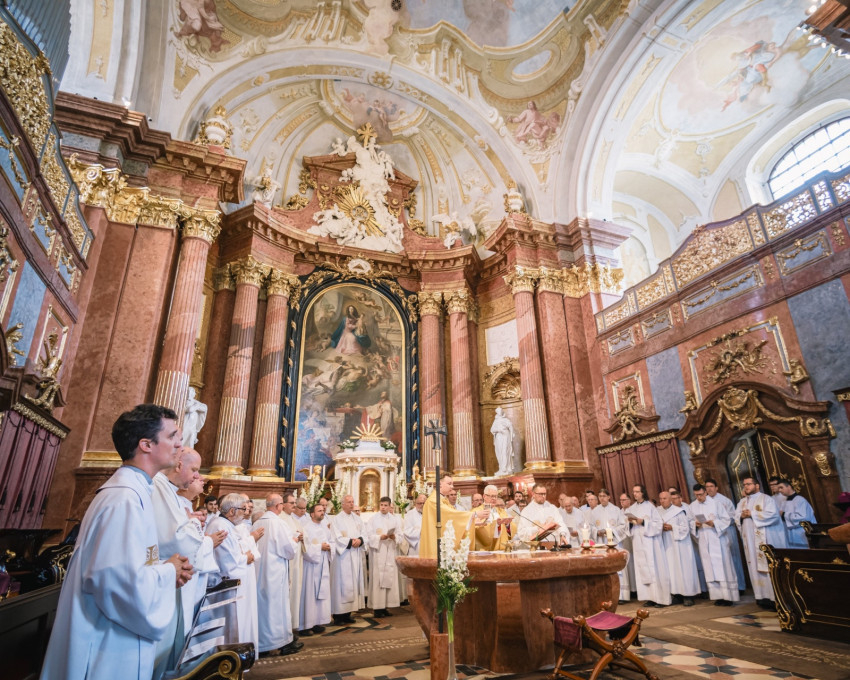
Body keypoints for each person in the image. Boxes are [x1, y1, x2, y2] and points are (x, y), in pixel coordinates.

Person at [40, 404, 193, 680]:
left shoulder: (135, 491)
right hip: (105, 645)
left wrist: (165, 566)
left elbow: (125, 564)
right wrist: (169, 571)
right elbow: (116, 582)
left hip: (114, 636)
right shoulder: (124, 499)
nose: (179, 445)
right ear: (146, 445)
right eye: (172, 436)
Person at [151, 447, 206, 677]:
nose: (197, 476)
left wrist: (190, 521)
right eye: (194, 470)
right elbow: (178, 540)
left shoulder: (168, 489)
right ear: (179, 464)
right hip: (160, 579)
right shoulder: (158, 486)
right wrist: (192, 523)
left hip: (167, 577)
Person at [206, 493, 259, 649]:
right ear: (232, 511)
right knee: (230, 628)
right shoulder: (220, 526)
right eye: (242, 509)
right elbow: (227, 563)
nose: (245, 513)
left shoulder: (227, 525)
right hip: (225, 587)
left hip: (232, 586)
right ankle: (229, 658)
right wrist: (246, 558)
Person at [254, 494, 303, 657]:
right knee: (277, 608)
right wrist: (294, 540)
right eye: (281, 504)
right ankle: (281, 643)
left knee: (262, 608)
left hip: (258, 573)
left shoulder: (257, 522)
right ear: (277, 506)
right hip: (274, 574)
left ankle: (262, 643)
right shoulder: (278, 523)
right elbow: (288, 550)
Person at [735, 477, 786, 610]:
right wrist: (741, 516)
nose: (746, 486)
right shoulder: (742, 502)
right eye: (744, 484)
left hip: (763, 540)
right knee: (754, 567)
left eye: (749, 484)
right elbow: (736, 517)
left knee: (766, 567)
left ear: (757, 485)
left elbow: (773, 515)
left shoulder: (766, 499)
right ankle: (761, 597)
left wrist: (752, 514)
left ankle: (773, 598)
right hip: (749, 541)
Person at [691, 484, 739, 606]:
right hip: (704, 540)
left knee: (723, 567)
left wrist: (714, 523)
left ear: (705, 492)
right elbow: (690, 522)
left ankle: (728, 597)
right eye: (696, 495)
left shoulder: (716, 503)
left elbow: (726, 520)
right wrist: (695, 525)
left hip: (718, 539)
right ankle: (718, 596)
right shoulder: (693, 506)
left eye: (700, 494)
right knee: (710, 569)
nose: (699, 497)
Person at [419, 474, 487, 558]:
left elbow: (451, 520)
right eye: (449, 484)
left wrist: (472, 522)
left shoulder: (443, 500)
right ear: (440, 484)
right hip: (435, 544)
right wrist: (474, 514)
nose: (452, 486)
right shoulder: (433, 501)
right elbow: (451, 514)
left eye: (452, 484)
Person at [626, 484, 671, 607]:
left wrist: (643, 522)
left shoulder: (650, 506)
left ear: (643, 493)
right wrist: (630, 523)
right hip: (638, 543)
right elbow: (627, 528)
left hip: (651, 543)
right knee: (642, 569)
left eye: (637, 491)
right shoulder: (632, 508)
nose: (635, 494)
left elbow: (658, 524)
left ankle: (661, 599)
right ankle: (649, 597)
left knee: (655, 569)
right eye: (633, 492)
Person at [658, 491, 699, 607]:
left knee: (684, 569)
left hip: (680, 545)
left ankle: (688, 596)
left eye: (665, 498)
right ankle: (677, 595)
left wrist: (672, 527)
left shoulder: (679, 511)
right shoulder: (657, 512)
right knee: (671, 570)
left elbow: (685, 528)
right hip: (667, 545)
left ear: (670, 499)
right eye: (660, 499)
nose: (662, 501)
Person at [330, 494, 366, 625]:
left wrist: (360, 540)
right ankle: (338, 615)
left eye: (352, 502)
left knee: (353, 584)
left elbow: (364, 533)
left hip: (354, 555)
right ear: (343, 504)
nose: (351, 504)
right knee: (342, 584)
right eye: (349, 502)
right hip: (343, 557)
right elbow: (336, 537)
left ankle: (348, 614)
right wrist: (351, 542)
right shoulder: (336, 519)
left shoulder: (357, 519)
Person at [704, 479, 746, 591]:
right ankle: (723, 588)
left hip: (727, 531)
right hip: (712, 533)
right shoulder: (704, 501)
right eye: (707, 487)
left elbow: (733, 517)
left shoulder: (724, 500)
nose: (709, 489)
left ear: (716, 488)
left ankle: (739, 586)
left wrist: (719, 523)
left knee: (733, 557)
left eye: (711, 486)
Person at [300, 502, 333, 636]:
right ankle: (305, 625)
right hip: (311, 566)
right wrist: (320, 547)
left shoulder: (325, 527)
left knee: (322, 593)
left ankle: (317, 621)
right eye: (319, 511)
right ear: (312, 514)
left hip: (323, 564)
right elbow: (305, 548)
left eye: (323, 510)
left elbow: (332, 542)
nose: (322, 512)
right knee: (310, 595)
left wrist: (329, 547)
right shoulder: (306, 528)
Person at [367, 497, 402, 617]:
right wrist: (379, 538)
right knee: (378, 579)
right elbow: (368, 536)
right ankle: (377, 608)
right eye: (381, 505)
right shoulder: (373, 519)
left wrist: (394, 537)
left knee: (389, 577)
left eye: (385, 505)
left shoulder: (394, 519)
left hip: (390, 551)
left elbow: (400, 535)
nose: (383, 507)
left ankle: (386, 606)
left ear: (389, 506)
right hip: (379, 552)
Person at [279, 492, 305, 637]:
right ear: (283, 504)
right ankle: (286, 629)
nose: (294, 506)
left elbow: (302, 535)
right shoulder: (280, 519)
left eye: (295, 503)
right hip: (288, 563)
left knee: (295, 593)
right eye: (292, 503)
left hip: (296, 563)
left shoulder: (293, 519)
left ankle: (293, 625)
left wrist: (302, 537)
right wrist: (295, 537)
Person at [777, 478, 817, 547]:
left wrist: (783, 514)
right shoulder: (784, 502)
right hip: (790, 535)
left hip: (801, 533)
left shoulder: (800, 500)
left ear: (789, 487)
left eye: (781, 487)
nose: (779, 490)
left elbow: (803, 518)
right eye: (778, 488)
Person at [474, 485, 515, 550]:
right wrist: (497, 525)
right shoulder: (476, 512)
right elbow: (477, 530)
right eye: (492, 496)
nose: (494, 499)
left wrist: (507, 525)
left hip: (502, 548)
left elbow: (510, 532)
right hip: (484, 550)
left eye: (496, 496)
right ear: (484, 496)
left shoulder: (502, 511)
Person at [618, 493, 637, 602]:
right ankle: (630, 589)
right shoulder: (619, 512)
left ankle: (635, 589)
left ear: (629, 500)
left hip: (633, 539)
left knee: (634, 564)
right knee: (627, 564)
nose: (622, 502)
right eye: (621, 500)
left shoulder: (633, 510)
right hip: (623, 541)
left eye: (624, 500)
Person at [491, 407, 515, 476]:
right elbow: (492, 430)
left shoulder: (506, 420)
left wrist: (511, 434)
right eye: (498, 411)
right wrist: (498, 430)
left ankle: (506, 468)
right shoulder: (496, 421)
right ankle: (501, 468)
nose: (500, 412)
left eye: (500, 411)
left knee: (505, 451)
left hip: (505, 436)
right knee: (499, 452)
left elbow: (511, 427)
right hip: (499, 437)